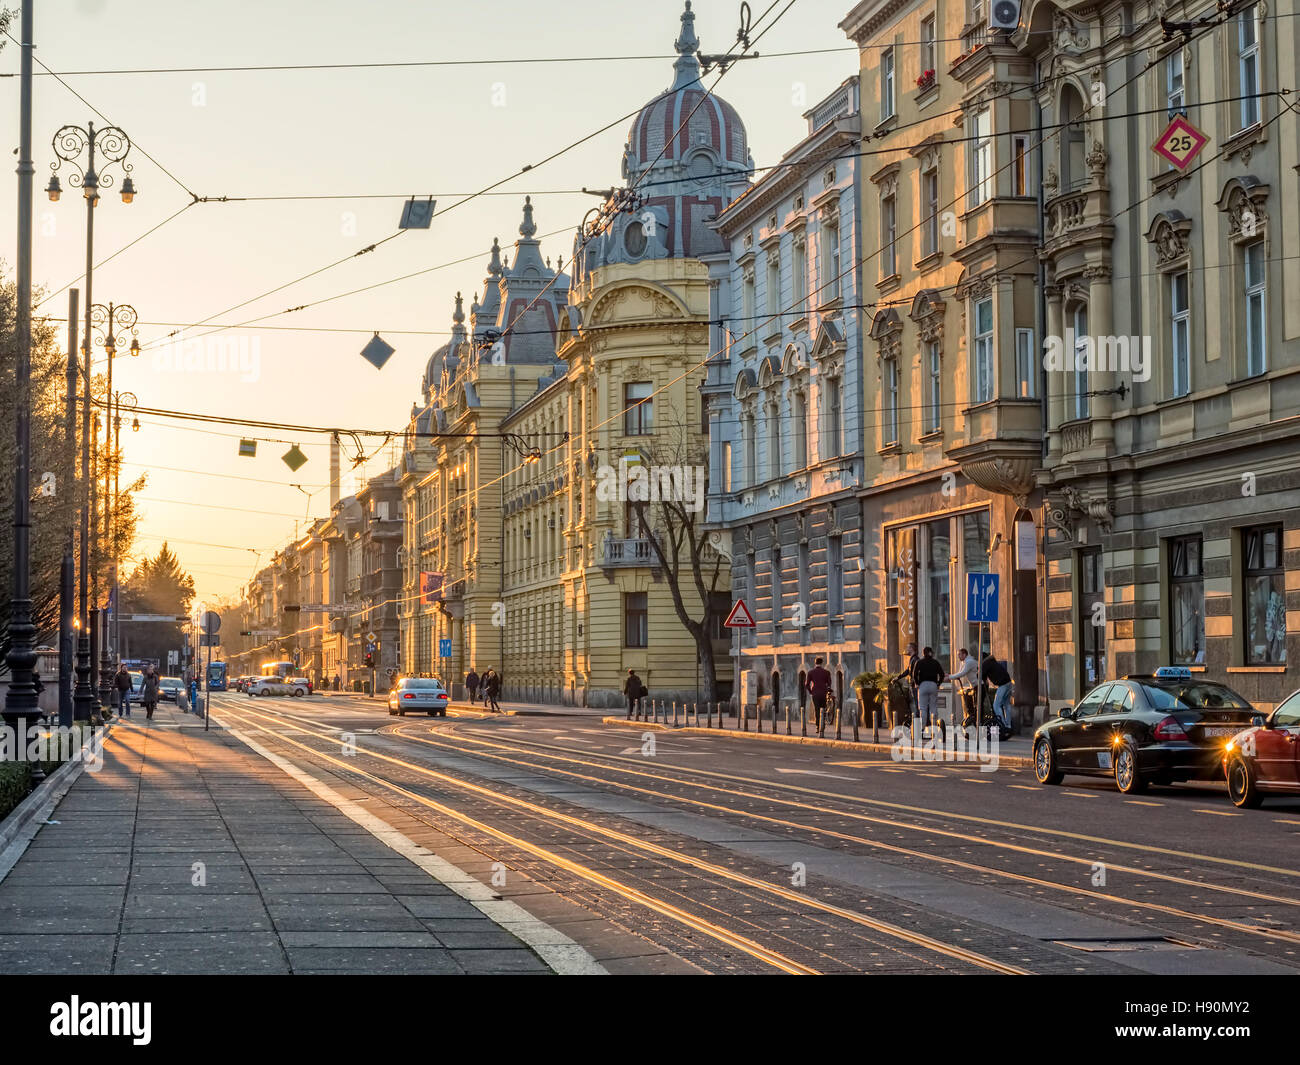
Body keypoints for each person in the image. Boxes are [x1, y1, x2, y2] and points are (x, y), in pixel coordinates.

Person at [912, 647, 946, 733]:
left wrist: (917, 683)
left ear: (923, 653)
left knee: (923, 708)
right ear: (931, 653)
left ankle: (922, 728)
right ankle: (934, 727)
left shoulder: (919, 662)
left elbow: (914, 674)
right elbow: (942, 674)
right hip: (933, 685)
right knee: (933, 707)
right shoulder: (935, 662)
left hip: (923, 685)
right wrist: (938, 683)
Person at [980, 652, 1014, 733]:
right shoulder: (992, 661)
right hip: (1008, 682)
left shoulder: (986, 663)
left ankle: (1001, 723)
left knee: (996, 705)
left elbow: (980, 675)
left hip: (1002, 685)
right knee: (1006, 704)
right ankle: (1008, 725)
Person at [950, 647, 978, 728]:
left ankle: (978, 722)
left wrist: (949, 677)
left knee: (977, 704)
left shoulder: (969, 662)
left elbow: (962, 673)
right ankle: (973, 719)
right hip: (973, 686)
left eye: (959, 655)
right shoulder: (964, 662)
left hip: (979, 685)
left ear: (964, 654)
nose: (958, 656)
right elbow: (959, 672)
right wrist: (950, 676)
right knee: (971, 703)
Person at [806, 658, 833, 733]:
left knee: (817, 709)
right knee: (823, 709)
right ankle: (823, 725)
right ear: (822, 663)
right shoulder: (826, 672)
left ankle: (818, 726)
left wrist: (811, 692)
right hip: (823, 693)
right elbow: (829, 683)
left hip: (815, 693)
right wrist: (828, 689)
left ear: (815, 663)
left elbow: (807, 684)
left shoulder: (810, 672)